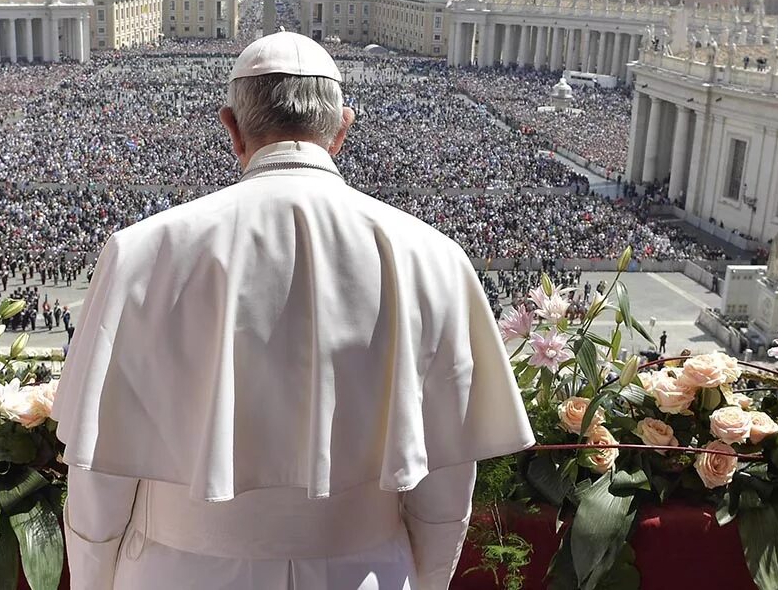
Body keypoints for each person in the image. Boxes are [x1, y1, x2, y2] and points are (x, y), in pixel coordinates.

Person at [53, 32, 534, 590]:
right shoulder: (434, 256)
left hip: (177, 572)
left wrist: (92, 580)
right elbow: (445, 486)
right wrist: (424, 580)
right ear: (342, 130)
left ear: (231, 128)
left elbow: (100, 476)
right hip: (366, 572)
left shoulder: (141, 251)